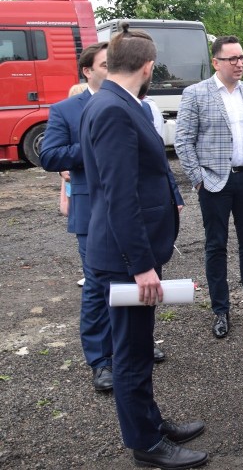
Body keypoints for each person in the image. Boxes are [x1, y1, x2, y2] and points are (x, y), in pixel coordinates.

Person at [79, 23, 207, 469]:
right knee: (131, 354)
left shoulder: (113, 101)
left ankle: (149, 422)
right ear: (149, 67)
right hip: (124, 259)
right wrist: (140, 266)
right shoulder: (115, 109)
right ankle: (146, 445)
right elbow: (119, 194)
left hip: (126, 255)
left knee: (137, 346)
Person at [41, 42, 167, 393]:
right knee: (99, 292)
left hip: (122, 221)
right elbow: (50, 155)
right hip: (95, 214)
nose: (108, 67)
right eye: (102, 63)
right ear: (88, 70)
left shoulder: (131, 103)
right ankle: (100, 359)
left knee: (130, 314)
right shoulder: (84, 108)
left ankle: (132, 351)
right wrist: (100, 145)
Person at [174, 36, 243, 339]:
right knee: (216, 245)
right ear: (216, 62)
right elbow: (183, 140)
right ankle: (220, 309)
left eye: (241, 58)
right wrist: (198, 178)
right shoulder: (196, 93)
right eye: (232, 58)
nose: (239, 63)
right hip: (214, 182)